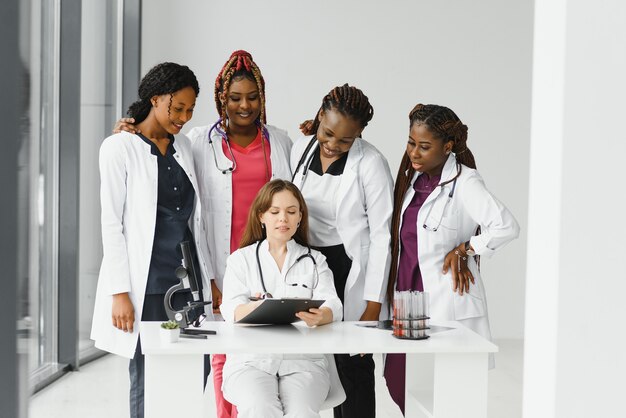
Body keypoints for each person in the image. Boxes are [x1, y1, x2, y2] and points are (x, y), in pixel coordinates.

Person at [113, 50, 293, 418]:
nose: (244, 106)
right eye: (234, 98)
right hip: (220, 262)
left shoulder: (281, 141)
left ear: (263, 97)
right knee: (221, 353)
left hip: (269, 259)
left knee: (269, 351)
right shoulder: (197, 141)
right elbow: (158, 146)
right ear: (220, 100)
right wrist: (131, 127)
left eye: (252, 96)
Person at [90, 62, 213, 418]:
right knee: (147, 374)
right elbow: (111, 223)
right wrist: (119, 293)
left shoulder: (186, 147)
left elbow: (197, 220)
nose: (185, 117)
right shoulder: (119, 148)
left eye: (191, 110)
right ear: (156, 99)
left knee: (195, 371)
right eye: (178, 108)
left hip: (189, 283)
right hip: (146, 285)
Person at [383, 104, 520, 415]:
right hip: (408, 294)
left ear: (448, 146)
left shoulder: (466, 181)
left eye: (424, 146)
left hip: (446, 300)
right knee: (402, 383)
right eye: (410, 142)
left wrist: (465, 249)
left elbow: (507, 226)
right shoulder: (412, 179)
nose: (414, 153)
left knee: (441, 392)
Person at [292, 84, 394, 418]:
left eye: (345, 140)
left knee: (353, 364)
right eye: (328, 133)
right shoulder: (300, 150)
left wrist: (372, 306)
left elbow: (382, 236)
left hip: (349, 267)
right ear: (319, 116)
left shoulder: (371, 163)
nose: (334, 145)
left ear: (360, 134)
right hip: (309, 267)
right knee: (312, 363)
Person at [220, 179, 343, 418]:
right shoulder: (240, 260)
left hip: (304, 362)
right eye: (274, 212)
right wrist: (260, 307)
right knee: (261, 410)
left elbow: (333, 303)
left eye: (291, 212)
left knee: (302, 414)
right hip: (251, 361)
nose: (283, 219)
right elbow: (231, 309)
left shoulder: (315, 260)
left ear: (300, 217)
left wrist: (322, 315)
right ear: (261, 216)